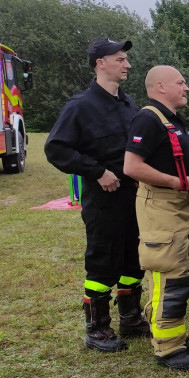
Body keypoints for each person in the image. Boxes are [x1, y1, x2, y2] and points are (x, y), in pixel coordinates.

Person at [45, 38, 148, 352]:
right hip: (104, 200)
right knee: (103, 261)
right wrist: (97, 171)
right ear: (100, 63)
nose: (126, 64)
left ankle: (130, 318)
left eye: (126, 59)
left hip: (134, 196)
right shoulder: (81, 106)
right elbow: (56, 148)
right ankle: (97, 329)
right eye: (119, 59)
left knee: (134, 258)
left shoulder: (128, 104)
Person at [123, 66, 189, 370]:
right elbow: (131, 166)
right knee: (168, 274)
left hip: (178, 206)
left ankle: (176, 338)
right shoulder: (148, 118)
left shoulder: (169, 118)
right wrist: (173, 182)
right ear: (160, 86)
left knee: (181, 271)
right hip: (162, 206)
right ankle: (167, 349)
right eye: (180, 82)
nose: (187, 87)